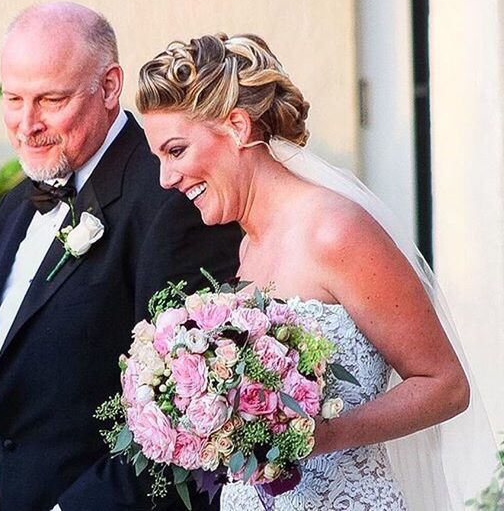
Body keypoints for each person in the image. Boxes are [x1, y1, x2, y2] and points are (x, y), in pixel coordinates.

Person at [137, 33, 496, 510]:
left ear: (239, 127)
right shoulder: (248, 247)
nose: (165, 178)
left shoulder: (334, 232)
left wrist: (316, 437)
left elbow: (445, 385)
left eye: (176, 151)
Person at [0, 4, 242, 511]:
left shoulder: (172, 199)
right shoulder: (13, 209)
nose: (26, 124)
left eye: (50, 100)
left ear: (109, 87)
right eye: (13, 99)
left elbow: (188, 414)